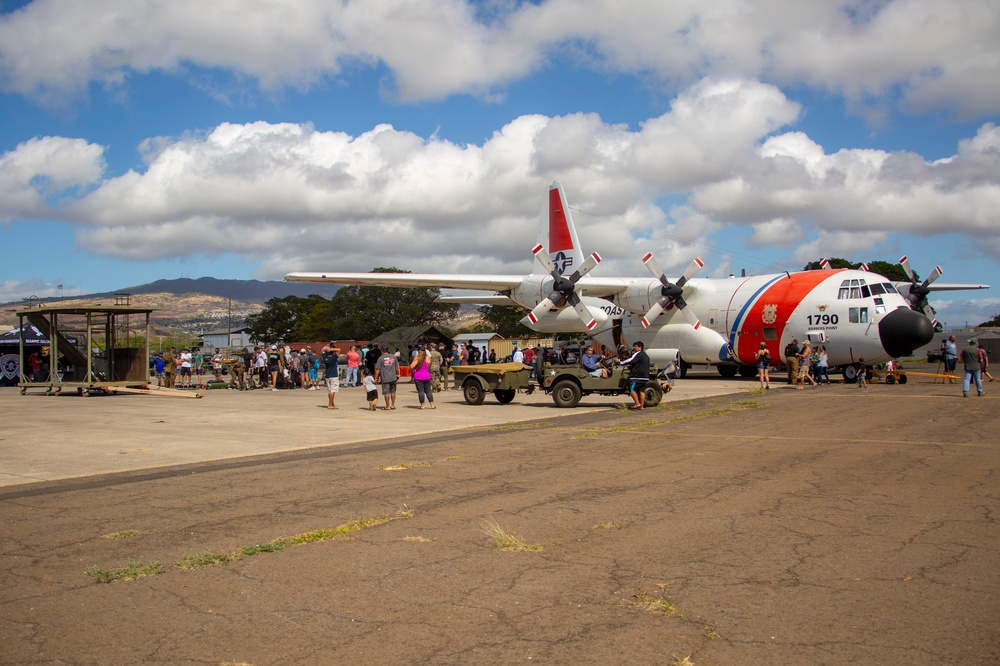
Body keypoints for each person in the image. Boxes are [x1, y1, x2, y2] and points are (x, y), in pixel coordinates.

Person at [617, 341, 651, 410]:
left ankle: (637, 403)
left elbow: (631, 360)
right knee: (642, 391)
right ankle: (641, 406)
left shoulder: (638, 354)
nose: (634, 348)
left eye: (635, 346)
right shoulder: (646, 356)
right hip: (645, 377)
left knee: (631, 388)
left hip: (637, 376)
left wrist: (620, 362)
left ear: (640, 348)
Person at [321, 342, 341, 409]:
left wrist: (327, 349)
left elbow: (322, 350)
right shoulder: (333, 357)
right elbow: (339, 350)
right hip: (334, 375)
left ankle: (332, 403)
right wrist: (332, 349)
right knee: (333, 390)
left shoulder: (325, 357)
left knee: (330, 391)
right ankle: (330, 404)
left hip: (327, 375)